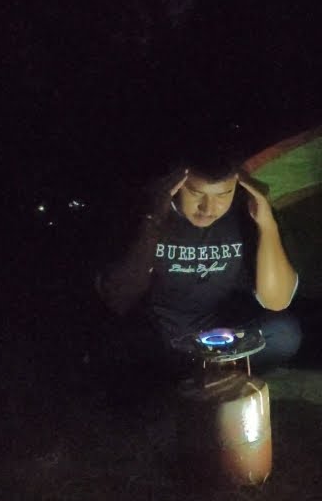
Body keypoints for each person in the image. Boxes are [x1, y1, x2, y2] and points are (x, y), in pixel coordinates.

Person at [95, 156, 302, 380]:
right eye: (195, 193)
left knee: (284, 333)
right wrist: (152, 221)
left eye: (223, 195)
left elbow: (277, 300)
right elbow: (119, 297)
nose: (208, 208)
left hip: (221, 332)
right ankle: (195, 376)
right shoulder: (148, 212)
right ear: (176, 183)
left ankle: (208, 374)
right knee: (117, 344)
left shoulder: (245, 215)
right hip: (162, 333)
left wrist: (267, 225)